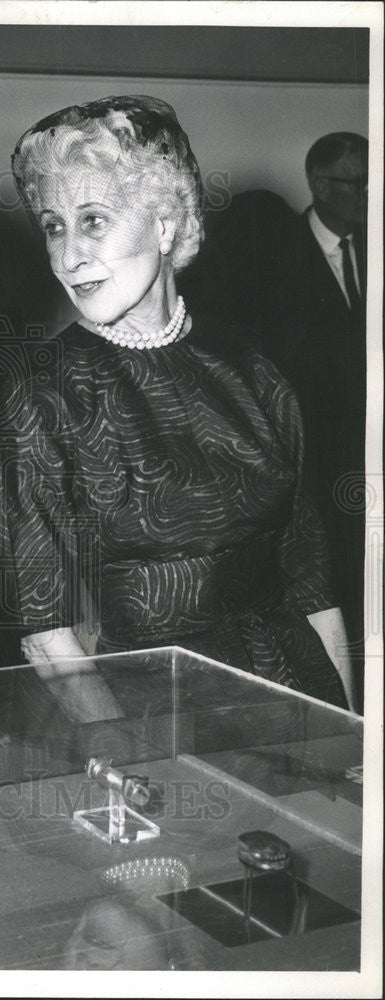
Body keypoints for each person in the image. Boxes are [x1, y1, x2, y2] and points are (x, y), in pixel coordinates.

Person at [0, 96, 355, 713]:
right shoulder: (42, 392)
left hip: (295, 694)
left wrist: (350, 737)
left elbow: (315, 590)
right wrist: (127, 765)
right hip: (149, 715)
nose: (68, 255)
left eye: (94, 220)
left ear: (164, 223)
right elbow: (47, 634)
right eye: (54, 225)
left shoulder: (254, 373)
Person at [189, 134, 368, 690]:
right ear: (318, 184)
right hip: (313, 473)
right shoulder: (270, 258)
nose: (367, 195)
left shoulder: (378, 247)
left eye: (374, 183)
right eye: (354, 183)